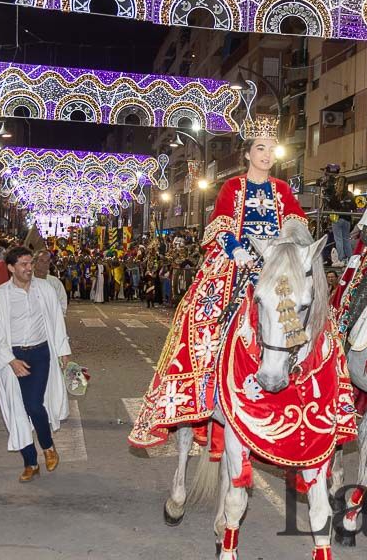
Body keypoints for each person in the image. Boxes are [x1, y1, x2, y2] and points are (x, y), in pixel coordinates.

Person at [129, 114, 313, 448]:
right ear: (248, 154)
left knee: (301, 314)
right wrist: (236, 249)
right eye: (261, 148)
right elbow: (220, 226)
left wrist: (289, 249)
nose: (267, 155)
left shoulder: (282, 189)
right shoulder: (233, 186)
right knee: (200, 314)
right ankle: (200, 388)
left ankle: (305, 387)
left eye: (272, 149)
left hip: (273, 265)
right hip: (236, 261)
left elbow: (298, 225)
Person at [0, 247, 72, 482]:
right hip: (13, 357)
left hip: (41, 353)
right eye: (23, 264)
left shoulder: (45, 289)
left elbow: (56, 321)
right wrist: (11, 361)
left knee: (34, 405)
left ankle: (48, 446)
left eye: (30, 263)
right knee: (17, 410)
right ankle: (30, 462)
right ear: (11, 267)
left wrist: (63, 351)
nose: (29, 268)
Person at [33, 249, 69, 314]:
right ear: (34, 262)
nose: (45, 264)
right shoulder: (26, 281)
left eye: (47, 261)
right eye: (41, 261)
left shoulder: (55, 282)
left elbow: (62, 303)